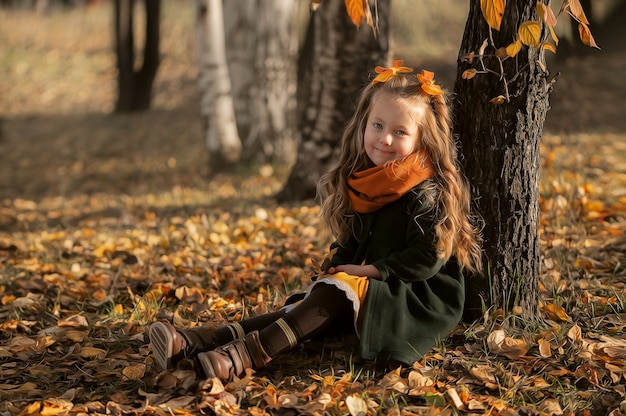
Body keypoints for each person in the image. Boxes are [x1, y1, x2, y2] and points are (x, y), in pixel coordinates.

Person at [149, 61, 483, 382]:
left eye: (400, 132)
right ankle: (195, 342)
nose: (385, 139)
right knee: (311, 302)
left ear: (422, 140)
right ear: (364, 124)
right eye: (378, 126)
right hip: (382, 285)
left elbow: (426, 259)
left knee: (336, 293)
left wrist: (364, 272)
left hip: (418, 297)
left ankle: (239, 359)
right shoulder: (370, 180)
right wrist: (336, 269)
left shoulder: (424, 190)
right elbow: (353, 241)